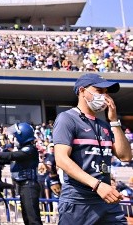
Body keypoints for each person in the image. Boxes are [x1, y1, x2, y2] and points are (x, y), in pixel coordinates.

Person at [54, 73, 132, 224]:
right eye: (99, 91)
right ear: (82, 91)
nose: (105, 96)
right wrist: (97, 185)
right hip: (78, 201)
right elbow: (61, 159)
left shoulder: (104, 125)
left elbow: (125, 156)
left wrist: (114, 121)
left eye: (106, 92)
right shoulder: (67, 118)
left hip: (107, 200)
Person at [0, 123, 42, 225]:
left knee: (33, 220)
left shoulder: (29, 150)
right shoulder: (22, 151)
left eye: (16, 136)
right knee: (27, 219)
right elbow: (8, 159)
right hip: (23, 186)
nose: (14, 138)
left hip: (29, 186)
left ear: (22, 135)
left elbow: (11, 156)